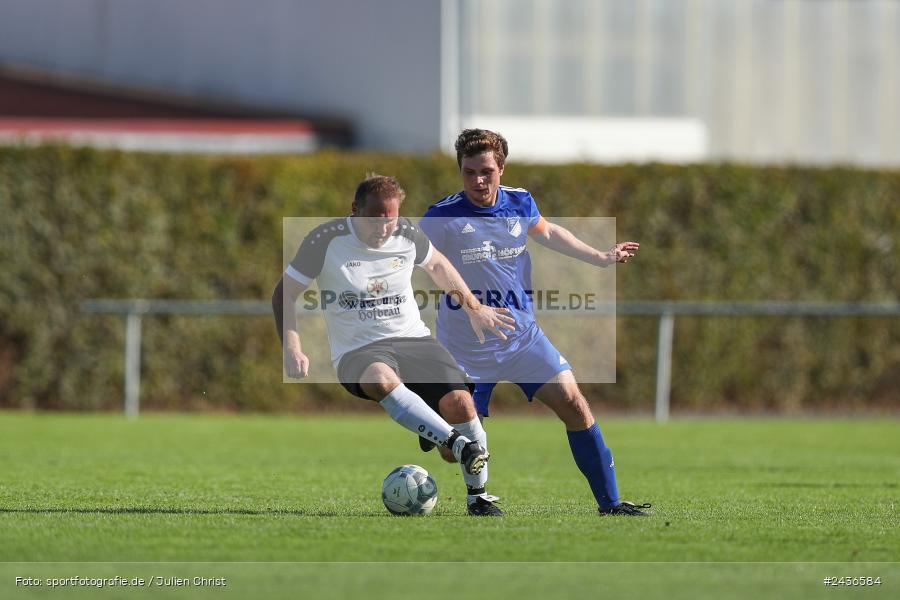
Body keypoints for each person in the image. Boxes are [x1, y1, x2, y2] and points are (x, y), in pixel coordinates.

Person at [419, 129, 651, 516]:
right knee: (451, 450)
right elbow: (430, 267)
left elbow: (549, 232)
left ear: (501, 168)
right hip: (466, 346)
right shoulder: (441, 216)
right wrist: (475, 308)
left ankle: (610, 504)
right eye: (469, 172)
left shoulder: (520, 202)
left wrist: (598, 256)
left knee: (575, 404)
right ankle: (439, 428)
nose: (479, 180)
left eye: (487, 171)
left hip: (522, 337)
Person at [271, 174, 514, 516]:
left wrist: (475, 309)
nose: (384, 228)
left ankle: (478, 497)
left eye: (392, 218)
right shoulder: (325, 239)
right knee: (380, 380)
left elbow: (440, 266)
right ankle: (453, 441)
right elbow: (285, 293)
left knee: (462, 405)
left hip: (413, 340)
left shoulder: (408, 234)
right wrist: (292, 346)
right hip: (359, 350)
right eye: (375, 218)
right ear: (354, 210)